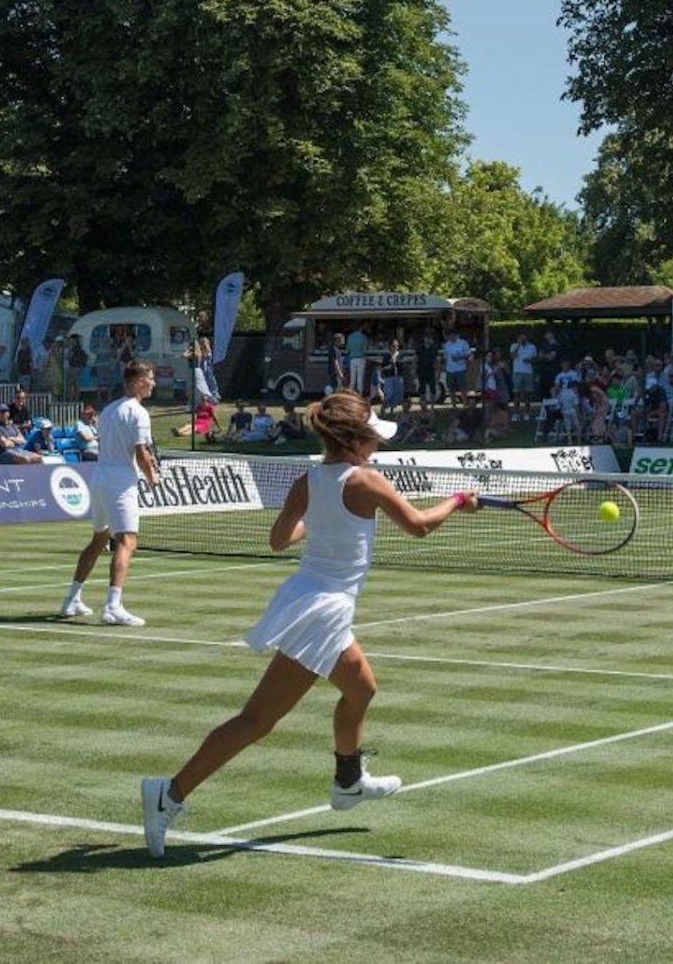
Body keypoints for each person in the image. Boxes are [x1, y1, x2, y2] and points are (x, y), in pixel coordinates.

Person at [140, 390, 478, 858]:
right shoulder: (366, 480)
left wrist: (319, 523)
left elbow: (280, 539)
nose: (378, 444)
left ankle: (348, 781)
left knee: (361, 689)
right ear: (354, 439)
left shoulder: (309, 480)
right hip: (321, 611)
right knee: (257, 720)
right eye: (373, 437)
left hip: (312, 600)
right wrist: (458, 500)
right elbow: (419, 525)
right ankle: (169, 793)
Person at [59, 359, 160, 626]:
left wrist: (144, 465)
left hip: (100, 478)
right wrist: (152, 477)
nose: (153, 383)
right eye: (150, 378)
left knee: (99, 539)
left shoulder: (109, 410)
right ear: (138, 381)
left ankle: (72, 600)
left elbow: (126, 447)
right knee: (127, 541)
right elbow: (141, 453)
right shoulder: (139, 413)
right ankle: (113, 606)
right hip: (119, 481)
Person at [510, 332, 538, 423]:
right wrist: (518, 345)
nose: (522, 338)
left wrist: (530, 360)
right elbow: (512, 356)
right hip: (517, 372)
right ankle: (515, 413)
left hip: (528, 372)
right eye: (521, 336)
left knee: (527, 394)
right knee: (516, 393)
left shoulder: (532, 346)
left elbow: (535, 358)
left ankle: (527, 413)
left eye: (524, 336)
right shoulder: (514, 345)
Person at [345, 324, 369, 393]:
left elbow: (347, 350)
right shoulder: (363, 337)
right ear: (360, 328)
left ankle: (350, 394)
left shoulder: (350, 337)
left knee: (352, 379)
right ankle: (359, 395)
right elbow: (365, 349)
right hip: (361, 358)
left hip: (352, 359)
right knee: (360, 379)